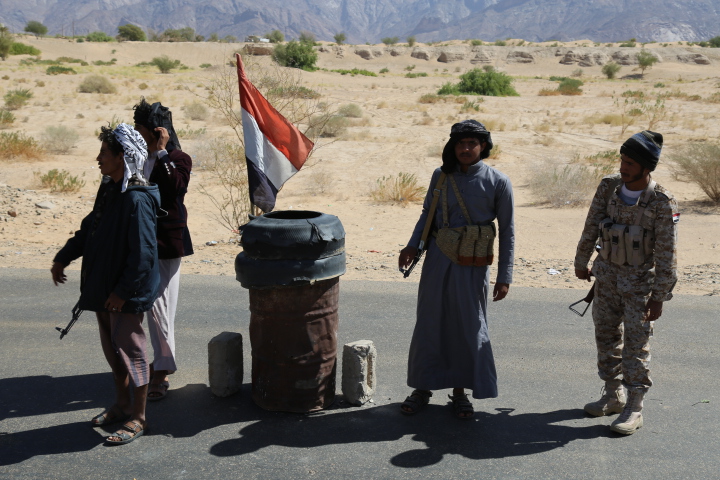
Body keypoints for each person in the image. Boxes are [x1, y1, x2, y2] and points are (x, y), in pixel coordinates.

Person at [398, 120, 515, 419]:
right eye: (460, 143)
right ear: (452, 146)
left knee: (468, 324)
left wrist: (505, 276)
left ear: (483, 147)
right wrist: (413, 246)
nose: (465, 148)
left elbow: (508, 230)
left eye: (472, 143)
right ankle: (422, 388)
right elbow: (428, 214)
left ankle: (461, 391)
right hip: (438, 257)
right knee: (430, 320)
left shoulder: (499, 181)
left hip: (473, 264)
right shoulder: (441, 175)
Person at [51, 123, 160, 445]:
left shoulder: (138, 200)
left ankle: (139, 417)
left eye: (103, 153)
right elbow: (90, 230)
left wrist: (122, 293)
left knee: (133, 351)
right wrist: (63, 257)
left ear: (122, 157)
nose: (98, 159)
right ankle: (121, 404)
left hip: (124, 293)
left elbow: (143, 254)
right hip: (103, 290)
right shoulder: (111, 189)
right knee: (114, 352)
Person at [574, 131, 678, 435]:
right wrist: (581, 262)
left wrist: (659, 296)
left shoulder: (661, 201)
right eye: (622, 159)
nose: (623, 166)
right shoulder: (608, 188)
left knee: (636, 345)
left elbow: (667, 252)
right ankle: (612, 396)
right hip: (606, 278)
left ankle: (635, 407)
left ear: (647, 167)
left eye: (630, 162)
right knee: (606, 336)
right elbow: (591, 224)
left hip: (640, 287)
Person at [133, 98, 194, 401]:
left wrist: (160, 152)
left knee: (160, 306)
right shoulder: (135, 157)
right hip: (137, 241)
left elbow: (175, 189)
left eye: (142, 130)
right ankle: (157, 362)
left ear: (159, 131)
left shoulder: (178, 158)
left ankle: (162, 369)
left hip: (165, 243)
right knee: (148, 306)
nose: (138, 135)